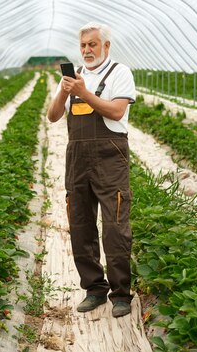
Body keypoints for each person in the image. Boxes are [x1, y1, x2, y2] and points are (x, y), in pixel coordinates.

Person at [47, 22, 136, 318]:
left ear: (106, 46)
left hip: (110, 159)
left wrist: (85, 93)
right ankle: (94, 289)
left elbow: (116, 111)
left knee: (115, 227)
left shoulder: (119, 73)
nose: (86, 50)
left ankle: (121, 294)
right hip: (78, 160)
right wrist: (64, 90)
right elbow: (53, 116)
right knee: (81, 226)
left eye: (92, 45)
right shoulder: (76, 78)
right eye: (83, 45)